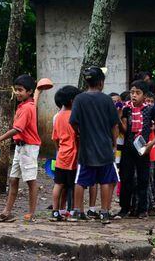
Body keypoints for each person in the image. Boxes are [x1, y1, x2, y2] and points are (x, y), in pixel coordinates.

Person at [69, 67, 120, 224]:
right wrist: (114, 143)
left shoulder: (79, 99)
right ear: (101, 82)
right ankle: (104, 213)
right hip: (105, 147)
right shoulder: (106, 100)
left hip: (86, 147)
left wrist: (80, 133)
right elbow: (114, 125)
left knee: (81, 180)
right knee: (106, 180)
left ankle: (77, 212)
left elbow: (73, 122)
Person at [0, 75, 41, 223]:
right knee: (13, 180)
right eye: (16, 90)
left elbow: (17, 129)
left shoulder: (26, 108)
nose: (17, 93)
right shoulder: (26, 105)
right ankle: (7, 211)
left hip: (28, 148)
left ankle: (31, 213)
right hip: (20, 148)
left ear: (29, 92)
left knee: (31, 181)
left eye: (20, 90)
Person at [117, 80, 155, 219]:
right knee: (126, 179)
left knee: (143, 179)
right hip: (128, 148)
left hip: (144, 148)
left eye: (138, 93)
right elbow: (124, 130)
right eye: (132, 92)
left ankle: (143, 209)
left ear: (144, 95)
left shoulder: (150, 109)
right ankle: (124, 208)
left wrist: (151, 143)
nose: (134, 95)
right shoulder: (126, 109)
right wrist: (119, 117)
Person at [50, 85, 81, 221]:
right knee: (74, 185)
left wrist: (60, 150)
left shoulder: (58, 117)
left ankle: (56, 211)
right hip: (74, 156)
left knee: (59, 184)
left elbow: (55, 138)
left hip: (61, 155)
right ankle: (73, 211)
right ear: (73, 100)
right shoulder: (75, 116)